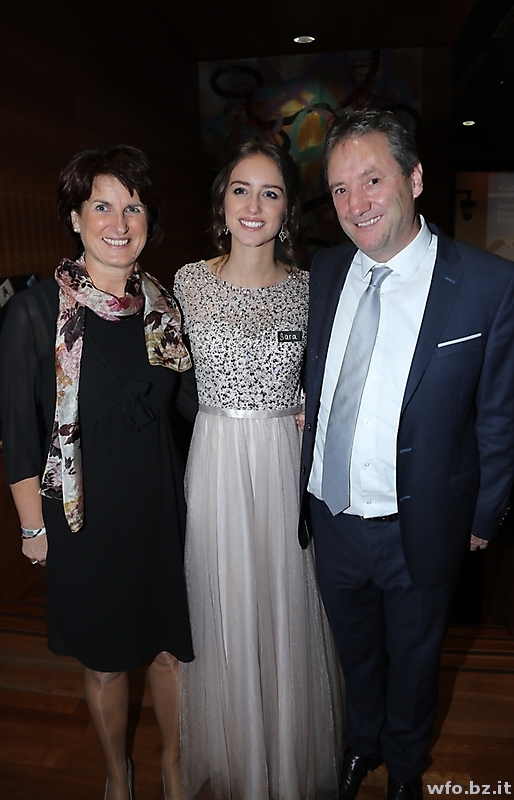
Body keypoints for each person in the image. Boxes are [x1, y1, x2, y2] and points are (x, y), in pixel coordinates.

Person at [300, 109, 514, 800]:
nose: (355, 203)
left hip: (420, 524)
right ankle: (362, 744)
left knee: (417, 662)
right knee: (356, 654)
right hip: (331, 516)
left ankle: (406, 767)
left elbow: (499, 416)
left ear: (414, 178)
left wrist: (482, 516)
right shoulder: (325, 270)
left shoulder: (487, 284)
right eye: (339, 189)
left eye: (372, 179)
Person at [0, 145, 195, 800]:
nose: (119, 222)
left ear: (148, 220)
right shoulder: (35, 312)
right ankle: (119, 775)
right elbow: (20, 432)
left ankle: (173, 769)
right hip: (82, 516)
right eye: (102, 206)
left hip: (161, 509)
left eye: (133, 207)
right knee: (107, 664)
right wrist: (33, 529)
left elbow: (193, 409)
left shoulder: (166, 311)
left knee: (170, 652)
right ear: (75, 218)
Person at [174, 140, 343, 800]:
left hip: (280, 463)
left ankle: (284, 758)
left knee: (283, 605)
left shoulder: (310, 289)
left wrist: (307, 408)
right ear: (222, 202)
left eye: (270, 192)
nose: (253, 205)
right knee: (221, 603)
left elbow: (328, 377)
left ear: (287, 211)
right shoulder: (187, 282)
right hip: (214, 458)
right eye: (241, 189)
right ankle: (237, 755)